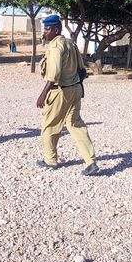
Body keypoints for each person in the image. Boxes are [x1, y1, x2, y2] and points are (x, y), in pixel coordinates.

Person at [36, 14, 99, 176]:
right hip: (75, 89)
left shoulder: (56, 46)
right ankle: (91, 162)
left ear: (56, 29)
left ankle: (50, 160)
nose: (45, 32)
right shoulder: (70, 43)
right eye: (45, 29)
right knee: (75, 124)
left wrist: (43, 94)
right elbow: (82, 69)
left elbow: (54, 73)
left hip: (60, 91)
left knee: (49, 125)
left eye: (48, 29)